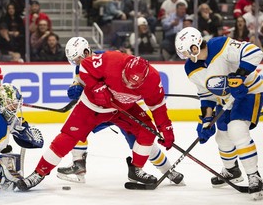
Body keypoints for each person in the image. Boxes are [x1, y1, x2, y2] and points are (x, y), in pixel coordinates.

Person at [16, 39, 179, 191]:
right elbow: (84, 67)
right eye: (125, 80)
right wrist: (96, 88)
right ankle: (40, 172)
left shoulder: (153, 79)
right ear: (124, 68)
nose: (128, 85)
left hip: (122, 108)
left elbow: (157, 106)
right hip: (93, 106)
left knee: (148, 131)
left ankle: (137, 169)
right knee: (69, 136)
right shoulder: (112, 60)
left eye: (133, 85)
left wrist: (166, 128)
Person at [56, 37, 183, 184]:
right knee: (78, 128)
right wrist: (75, 88)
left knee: (143, 140)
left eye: (77, 59)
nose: (76, 63)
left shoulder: (108, 57)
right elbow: (80, 81)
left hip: (122, 111)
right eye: (73, 61)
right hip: (101, 112)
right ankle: (78, 163)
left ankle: (168, 170)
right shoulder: (81, 66)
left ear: (86, 51)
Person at [175, 27, 263, 200]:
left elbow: (255, 52)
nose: (185, 56)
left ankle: (254, 176)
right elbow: (206, 93)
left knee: (237, 130)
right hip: (226, 100)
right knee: (222, 137)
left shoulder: (221, 45)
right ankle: (232, 170)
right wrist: (207, 118)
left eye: (186, 52)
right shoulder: (191, 68)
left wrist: (240, 75)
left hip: (249, 92)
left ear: (194, 47)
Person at [0, 83, 44, 190]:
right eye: (11, 104)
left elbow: (6, 115)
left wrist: (17, 125)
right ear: (2, 102)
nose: (14, 108)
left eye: (15, 104)